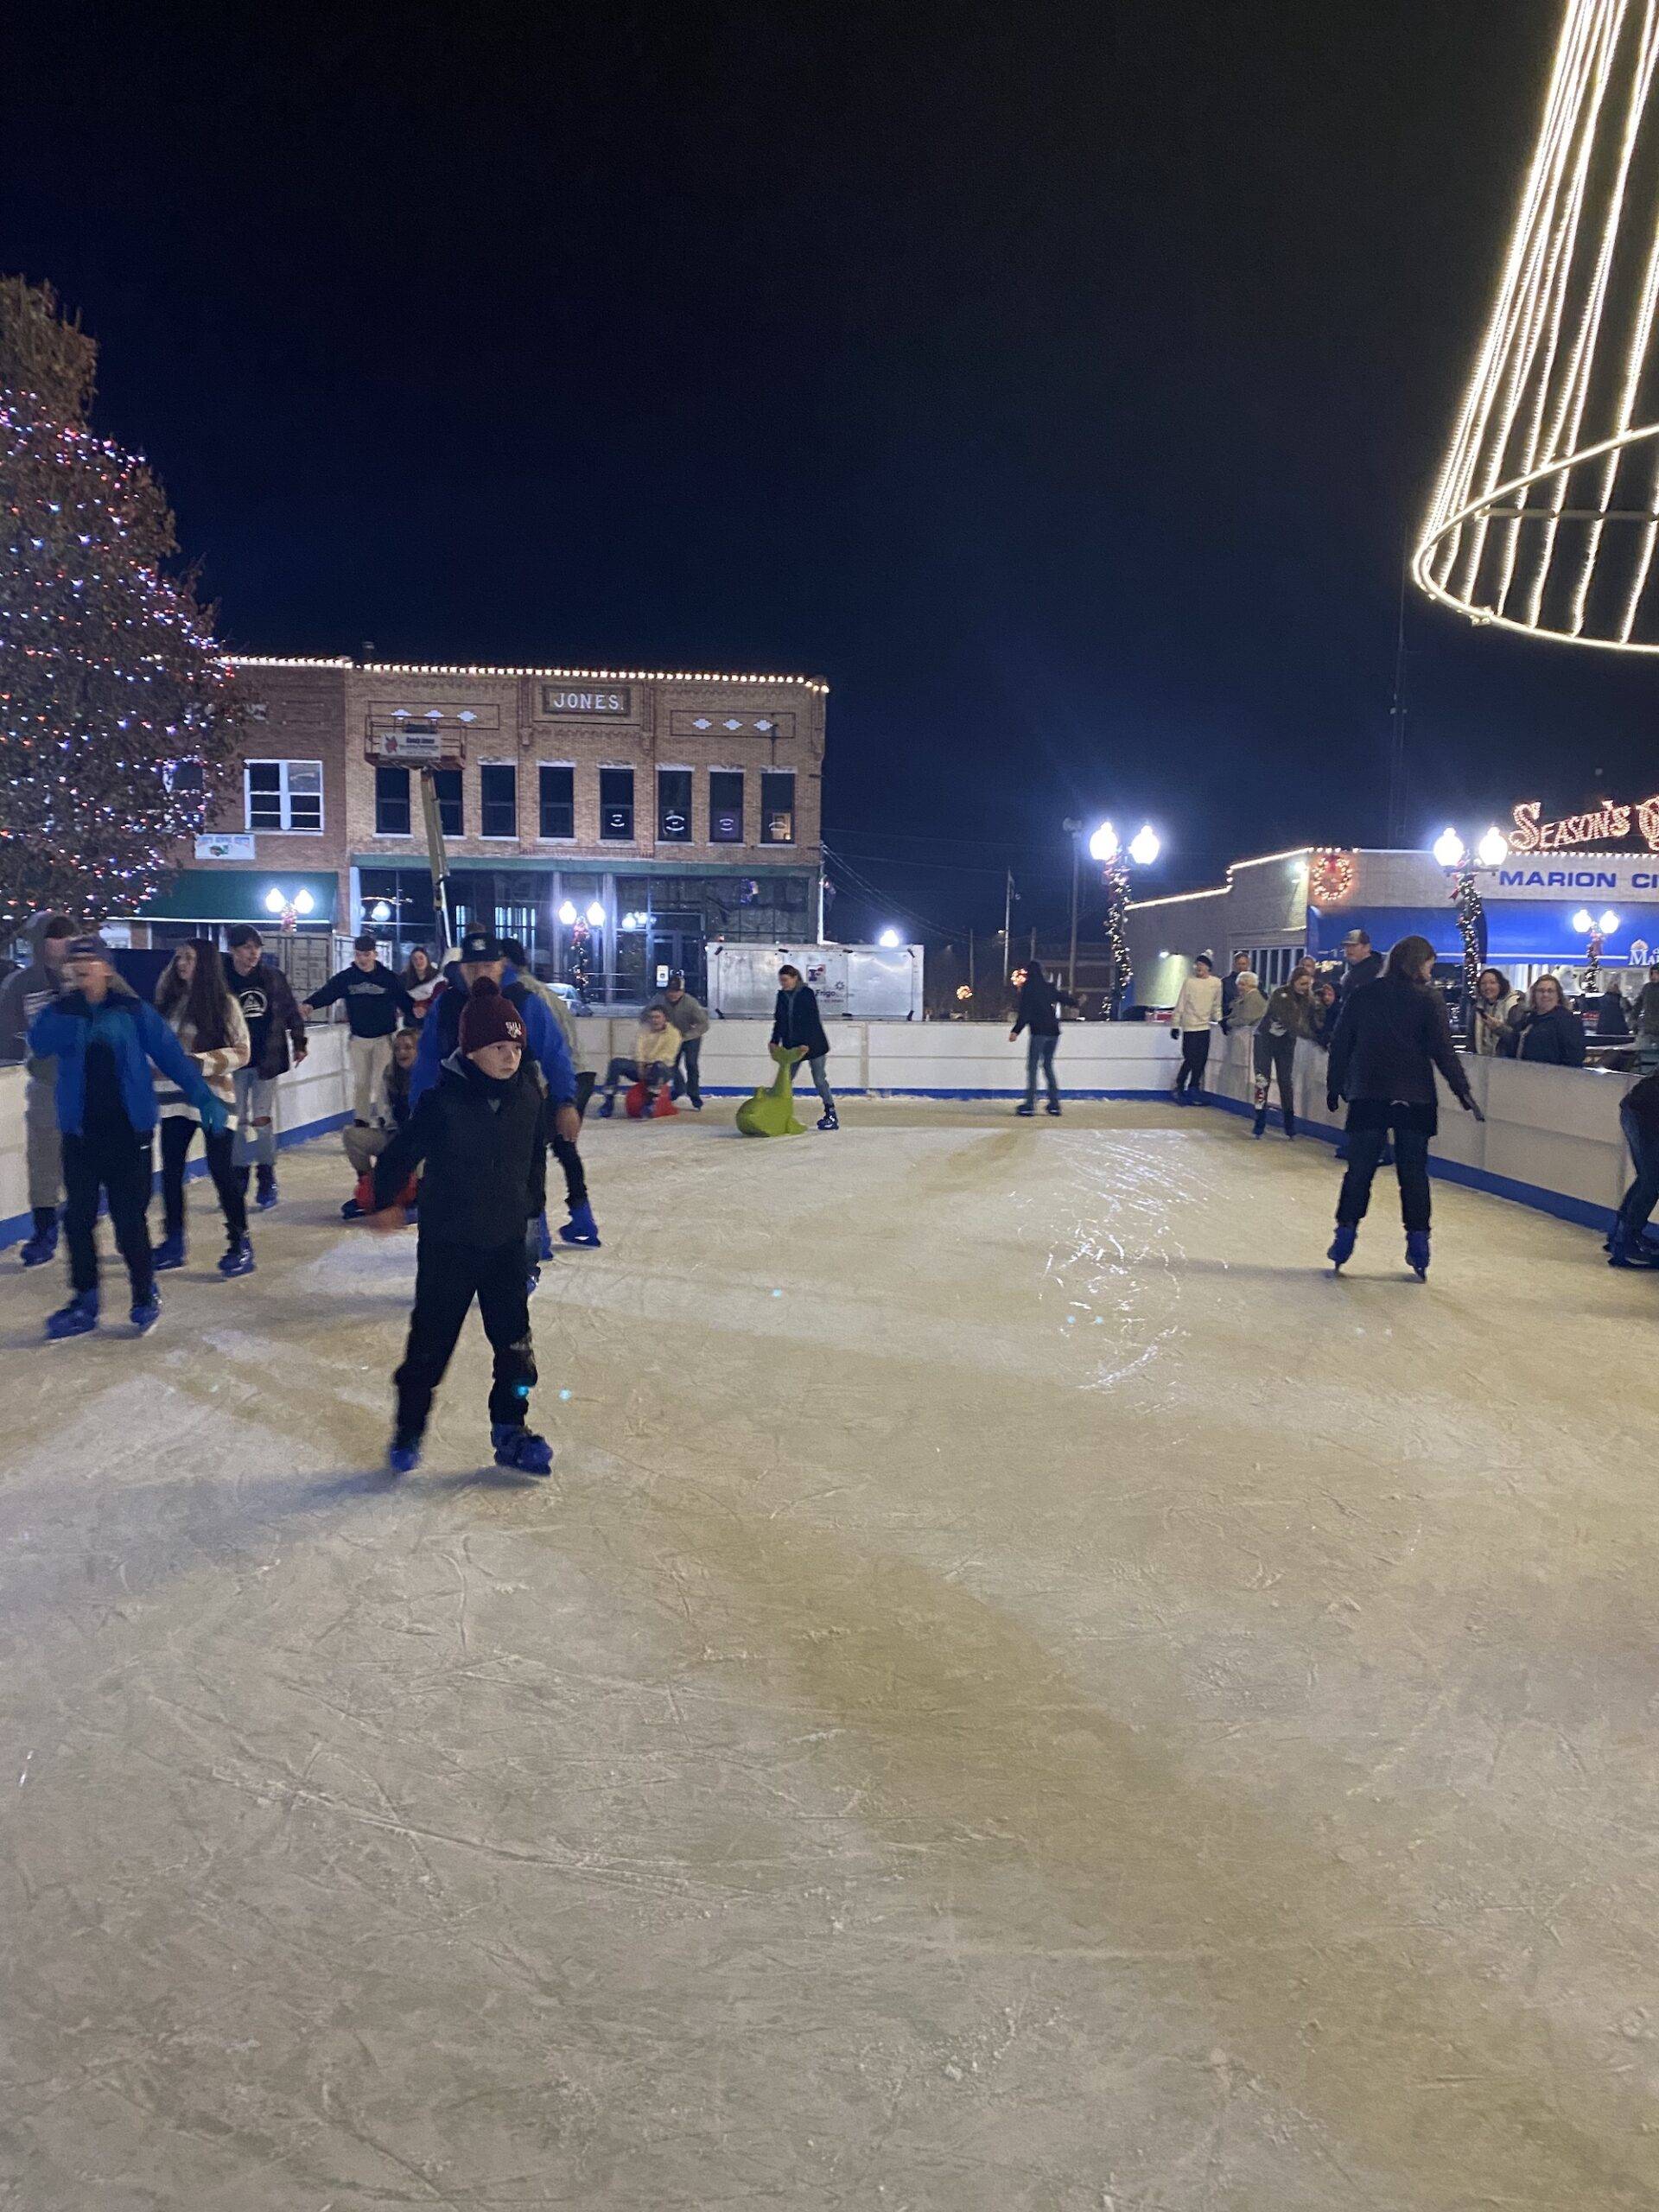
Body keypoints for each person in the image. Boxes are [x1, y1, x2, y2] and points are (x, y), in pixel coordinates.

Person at [368, 978, 554, 1478]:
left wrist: (532, 1214)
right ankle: (409, 1429)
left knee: (516, 1351)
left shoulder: (529, 1097)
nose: (510, 1056)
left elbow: (535, 1157)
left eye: (515, 1046)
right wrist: (384, 1201)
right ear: (471, 1051)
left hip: (507, 1246)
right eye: (498, 1047)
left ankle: (510, 1429)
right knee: (428, 1349)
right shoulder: (442, 1102)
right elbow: (398, 1155)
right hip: (449, 1247)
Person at [27, 935, 226, 1338]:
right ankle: (85, 1300)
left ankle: (143, 1292)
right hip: (81, 1134)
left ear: (107, 967)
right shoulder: (63, 1011)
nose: (81, 966)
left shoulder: (134, 1011)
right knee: (79, 1220)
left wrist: (204, 1097)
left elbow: (170, 1054)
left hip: (128, 1133)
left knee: (128, 1219)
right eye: (74, 961)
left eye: (89, 960)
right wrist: (56, 1006)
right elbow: (39, 1046)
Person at [410, 931, 580, 1286]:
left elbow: (555, 1053)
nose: (480, 973)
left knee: (521, 1186)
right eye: (473, 967)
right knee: (460, 1184)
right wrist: (419, 1114)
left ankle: (525, 1260)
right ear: (462, 969)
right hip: (461, 1110)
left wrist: (566, 1101)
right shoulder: (447, 1005)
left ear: (502, 965)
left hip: (519, 1107)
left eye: (487, 964)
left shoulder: (525, 1001)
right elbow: (427, 1061)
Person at [1325, 933, 1479, 1279]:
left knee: (1359, 1170)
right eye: (1429, 963)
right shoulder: (1429, 1000)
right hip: (1415, 1097)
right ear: (1417, 962)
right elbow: (1443, 1051)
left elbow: (1341, 1044)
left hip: (1369, 1094)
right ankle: (1418, 1241)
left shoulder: (1363, 995)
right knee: (1413, 1174)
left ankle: (1345, 1235)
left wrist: (1335, 1085)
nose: (1431, 970)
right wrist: (1462, 1091)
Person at [153, 940, 253, 1277]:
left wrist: (200, 1063)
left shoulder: (225, 1005)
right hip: (173, 1100)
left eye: (190, 958)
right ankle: (174, 1241)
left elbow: (243, 1051)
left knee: (221, 1171)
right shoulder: (170, 1003)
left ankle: (240, 1242)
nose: (182, 963)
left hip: (212, 1101)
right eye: (179, 956)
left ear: (206, 964)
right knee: (170, 1172)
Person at [499, 938, 600, 1248]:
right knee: (563, 1146)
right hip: (578, 1073)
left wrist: (549, 1092)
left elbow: (546, 1051)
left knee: (532, 1153)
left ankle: (538, 1234)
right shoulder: (543, 990)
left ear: (504, 962)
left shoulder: (521, 995)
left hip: (555, 1079)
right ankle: (583, 1220)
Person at [0, 912, 78, 1264]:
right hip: (47, 1086)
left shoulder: (90, 974)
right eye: (53, 936)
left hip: (90, 1088)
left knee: (84, 1162)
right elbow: (9, 1036)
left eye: (65, 936)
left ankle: (83, 1224)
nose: (60, 944)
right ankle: (45, 1230)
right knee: (43, 1162)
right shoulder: (21, 985)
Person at [223, 925, 308, 1211]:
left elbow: (290, 1011)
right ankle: (238, 1175)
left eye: (256, 948)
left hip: (266, 1060)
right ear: (234, 950)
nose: (253, 954)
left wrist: (299, 1042)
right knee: (235, 1122)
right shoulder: (221, 980)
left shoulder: (272, 978)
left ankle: (266, 1175)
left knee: (262, 1121)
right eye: (247, 948)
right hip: (234, 1061)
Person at [300, 933, 414, 1128]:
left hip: (384, 1038)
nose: (362, 959)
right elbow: (329, 993)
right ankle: (361, 1119)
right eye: (359, 954)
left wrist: (418, 1012)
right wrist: (310, 1004)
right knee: (361, 1081)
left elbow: (404, 1000)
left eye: (367, 954)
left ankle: (385, 1118)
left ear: (375, 954)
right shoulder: (347, 978)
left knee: (382, 1081)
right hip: (359, 1038)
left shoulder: (387, 977)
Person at [340, 1027, 421, 1212]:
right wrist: (393, 1133)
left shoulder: (429, 1077)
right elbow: (385, 1110)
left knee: (424, 1154)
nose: (402, 1052)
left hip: (422, 1140)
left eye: (408, 1048)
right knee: (352, 1136)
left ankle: (421, 1196)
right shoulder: (389, 1075)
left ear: (418, 1050)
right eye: (398, 1048)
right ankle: (370, 1186)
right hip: (396, 1135)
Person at [1008, 958, 1079, 1116]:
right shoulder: (1048, 987)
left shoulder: (1028, 989)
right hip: (1054, 1032)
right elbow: (1064, 998)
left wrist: (1016, 1031)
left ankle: (1030, 1105)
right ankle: (1054, 1105)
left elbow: (1025, 1013)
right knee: (1047, 1065)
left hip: (1039, 1032)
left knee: (1033, 1067)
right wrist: (1076, 1002)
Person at [772, 963, 837, 1129]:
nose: (783, 984)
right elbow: (779, 1020)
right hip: (792, 1046)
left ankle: (831, 1113)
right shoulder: (781, 996)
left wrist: (806, 1043)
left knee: (819, 1079)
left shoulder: (806, 994)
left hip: (814, 1044)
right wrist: (774, 1041)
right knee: (785, 1079)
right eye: (781, 981)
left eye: (786, 980)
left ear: (795, 978)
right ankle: (779, 1112)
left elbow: (811, 1020)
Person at [1609, 1064, 1659, 1267]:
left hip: (1639, 1110)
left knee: (1650, 1178)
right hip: (1643, 1113)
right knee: (1652, 1181)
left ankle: (1622, 1234)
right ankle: (1627, 1241)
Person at [1253, 969, 1312, 1138]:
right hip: (1265, 1038)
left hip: (1286, 1041)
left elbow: (1312, 1018)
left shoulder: (1308, 999)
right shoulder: (1280, 994)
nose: (1305, 988)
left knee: (1286, 1081)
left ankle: (1289, 1124)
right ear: (1293, 982)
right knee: (1262, 1080)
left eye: (1308, 984)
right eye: (1302, 984)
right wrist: (1314, 1037)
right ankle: (1259, 1121)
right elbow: (1291, 1021)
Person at [598, 1005, 680, 1115]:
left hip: (663, 1069)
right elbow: (637, 1048)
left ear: (665, 1018)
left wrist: (650, 1065)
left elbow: (668, 1055)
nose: (654, 1020)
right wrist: (640, 1064)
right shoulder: (644, 1029)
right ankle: (608, 1102)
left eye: (657, 1017)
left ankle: (650, 1103)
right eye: (652, 1017)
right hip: (641, 1066)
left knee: (658, 1066)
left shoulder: (674, 1033)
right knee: (616, 1063)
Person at [649, 971, 711, 1111]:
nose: (673, 995)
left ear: (682, 991)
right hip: (670, 1038)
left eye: (676, 992)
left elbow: (704, 1024)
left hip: (690, 1037)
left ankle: (694, 1096)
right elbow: (646, 1015)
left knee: (691, 1065)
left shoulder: (691, 1003)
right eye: (670, 991)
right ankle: (678, 1088)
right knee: (670, 1065)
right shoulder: (659, 1000)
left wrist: (687, 1036)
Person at [1501, 975, 1587, 1066]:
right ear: (1534, 995)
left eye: (1550, 991)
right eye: (1541, 991)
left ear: (1558, 995)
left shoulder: (1568, 1021)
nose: (1545, 995)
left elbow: (1575, 1056)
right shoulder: (1527, 1020)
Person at [1171, 954, 1223, 1103]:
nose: (1199, 967)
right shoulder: (1189, 982)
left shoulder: (1216, 983)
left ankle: (1194, 1086)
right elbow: (1181, 1003)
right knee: (1191, 1058)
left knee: (1201, 1059)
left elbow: (1216, 1005)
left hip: (1204, 1027)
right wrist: (1175, 1024)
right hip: (1190, 1027)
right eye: (1197, 964)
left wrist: (1220, 1021)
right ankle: (1180, 1086)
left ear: (1208, 967)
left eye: (1202, 964)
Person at [1467, 966, 1518, 1058]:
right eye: (1483, 983)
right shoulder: (1477, 1009)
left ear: (1500, 985)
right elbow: (1471, 1039)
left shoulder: (1514, 1006)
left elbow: (1518, 1040)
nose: (1487, 987)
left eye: (1492, 983)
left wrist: (1500, 1028)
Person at [1337, 927, 1383, 1003]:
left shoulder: (1375, 971)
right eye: (1346, 945)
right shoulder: (1353, 972)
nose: (1348, 949)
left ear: (1367, 947)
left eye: (1353, 945)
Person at [401, 945, 444, 1025]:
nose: (418, 961)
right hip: (410, 1023)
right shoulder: (404, 977)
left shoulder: (438, 976)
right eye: (415, 959)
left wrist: (425, 1006)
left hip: (432, 1021)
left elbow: (441, 999)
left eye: (421, 958)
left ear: (427, 959)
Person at [1306, 976, 1341, 1052]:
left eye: (1330, 994)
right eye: (1325, 994)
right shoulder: (1324, 1010)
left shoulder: (1337, 1012)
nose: (1326, 997)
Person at [1594, 976, 1633, 1041]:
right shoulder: (1622, 1000)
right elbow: (1629, 1011)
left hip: (1603, 1032)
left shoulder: (1601, 1000)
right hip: (1620, 1032)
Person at [1219, 950, 1252, 1026]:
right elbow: (1221, 1003)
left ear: (1248, 964)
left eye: (1243, 964)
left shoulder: (1256, 983)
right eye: (1239, 964)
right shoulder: (1225, 982)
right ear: (1234, 965)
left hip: (1249, 1023)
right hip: (1230, 1022)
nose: (1241, 967)